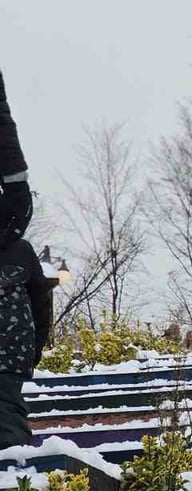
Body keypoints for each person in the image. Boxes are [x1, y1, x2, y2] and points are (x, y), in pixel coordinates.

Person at [0, 68, 51, 450]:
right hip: (11, 353)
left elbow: (40, 298)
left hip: (10, 353)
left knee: (7, 413)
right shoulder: (19, 250)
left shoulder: (19, 250)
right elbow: (40, 301)